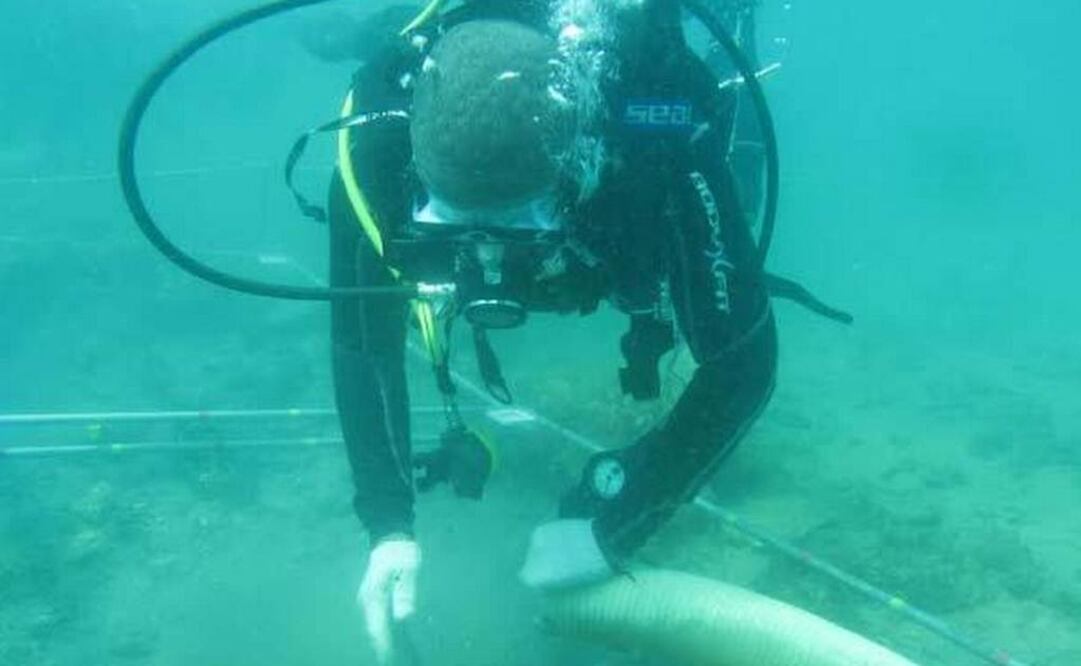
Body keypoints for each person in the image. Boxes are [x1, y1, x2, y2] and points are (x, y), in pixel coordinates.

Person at [327, 0, 776, 661]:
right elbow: (361, 343)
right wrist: (388, 525)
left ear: (576, 169)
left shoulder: (655, 142)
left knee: (740, 187)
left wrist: (622, 514)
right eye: (450, 221)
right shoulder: (378, 148)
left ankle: (735, 21)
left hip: (628, 154)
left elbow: (742, 361)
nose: (487, 260)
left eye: (518, 222)